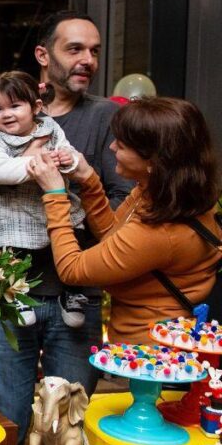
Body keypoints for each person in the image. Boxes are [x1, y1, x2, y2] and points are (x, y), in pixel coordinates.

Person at [0, 10, 131, 445]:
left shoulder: (104, 117)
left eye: (94, 51)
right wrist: (22, 167)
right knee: (7, 419)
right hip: (9, 295)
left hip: (77, 293)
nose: (88, 60)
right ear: (43, 55)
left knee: (67, 423)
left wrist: (76, 178)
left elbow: (120, 200)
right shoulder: (2, 112)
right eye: (75, 49)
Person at [28, 97, 222, 343]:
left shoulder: (159, 232)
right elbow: (114, 236)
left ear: (153, 161)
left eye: (122, 144)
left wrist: (55, 194)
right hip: (147, 340)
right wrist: (88, 180)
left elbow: (72, 269)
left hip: (151, 352)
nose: (111, 147)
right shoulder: (163, 193)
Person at [0, 71, 87, 327]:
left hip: (53, 203)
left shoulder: (51, 128)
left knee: (75, 232)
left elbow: (68, 150)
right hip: (14, 206)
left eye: (15, 106)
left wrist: (68, 160)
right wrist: (37, 164)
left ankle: (72, 291)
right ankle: (14, 291)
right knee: (9, 246)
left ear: (36, 107)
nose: (6, 114)